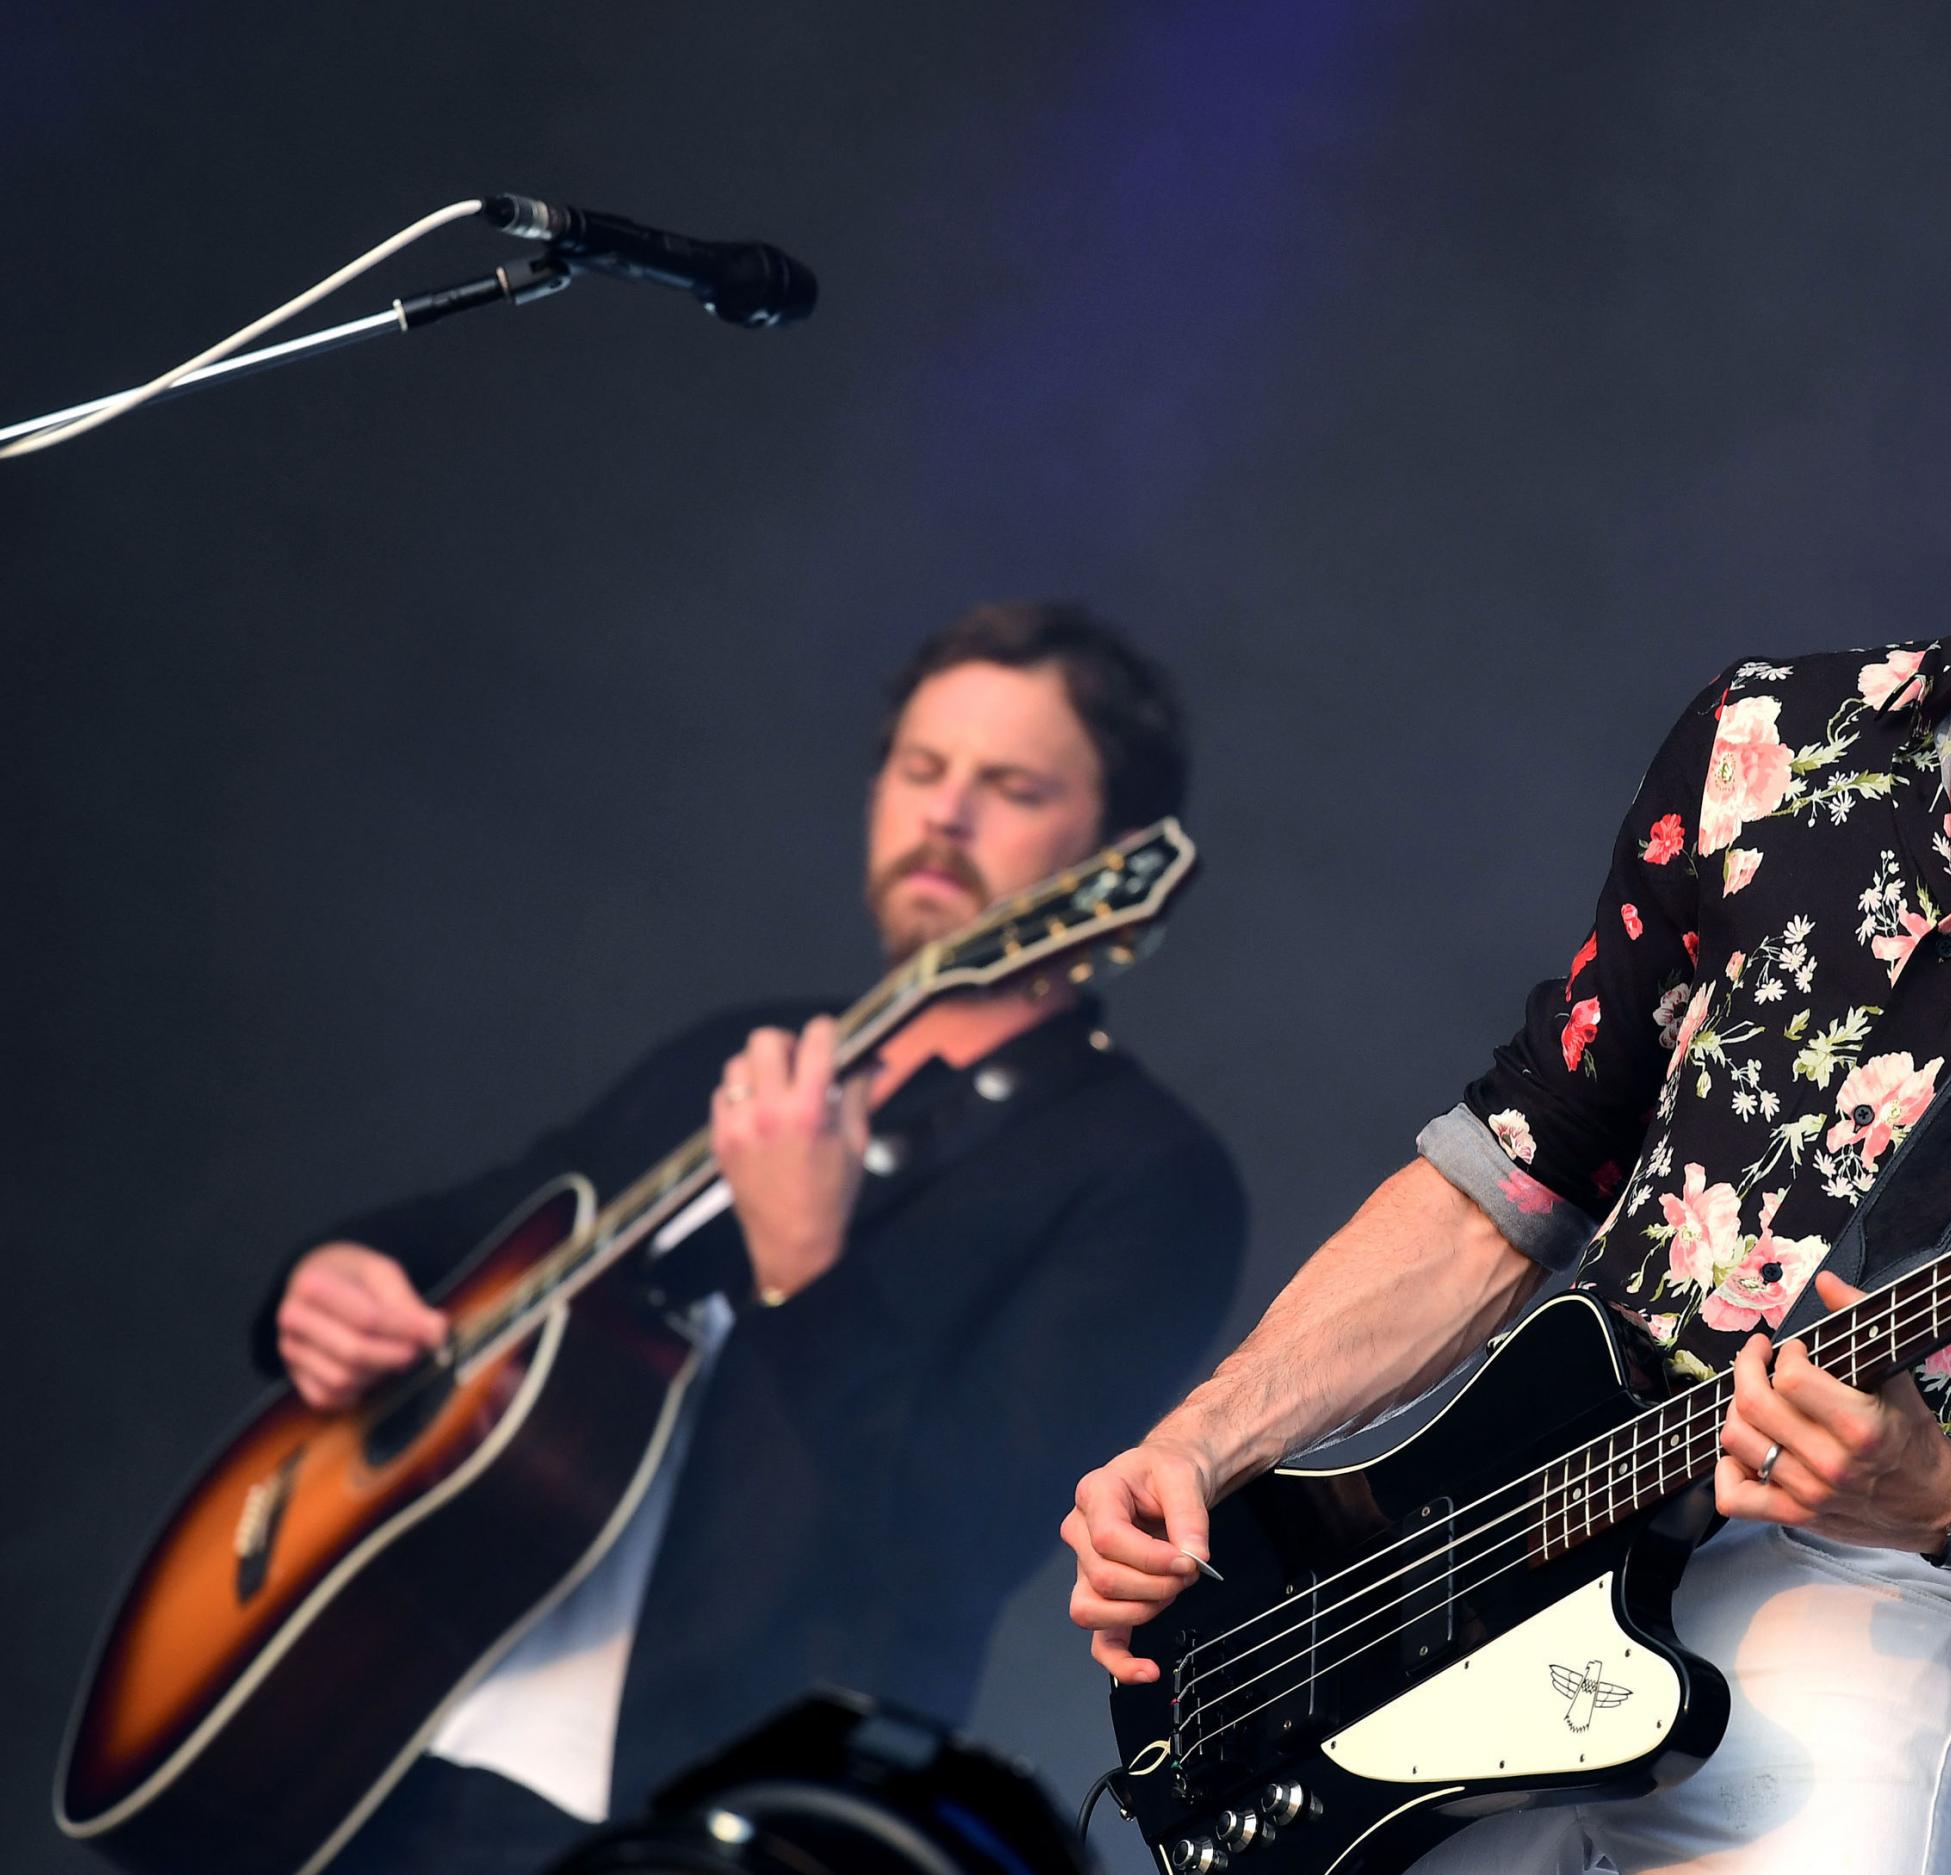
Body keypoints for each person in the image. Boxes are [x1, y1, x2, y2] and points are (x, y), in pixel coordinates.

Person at [1065, 90, 1951, 1874]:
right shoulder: (1764, 740)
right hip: (1497, 1558)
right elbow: (1521, 1167)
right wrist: (1201, 1444)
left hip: (1870, 1606)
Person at [261, 602, 1247, 1874]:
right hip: (382, 1729)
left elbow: (961, 1539)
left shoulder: (1147, 1176)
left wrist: (806, 1274)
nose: (943, 816)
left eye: (1008, 786)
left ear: (1113, 850)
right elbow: (478, 1229)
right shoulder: (745, 1056)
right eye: (918, 768)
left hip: (707, 1811)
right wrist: (330, 1276)